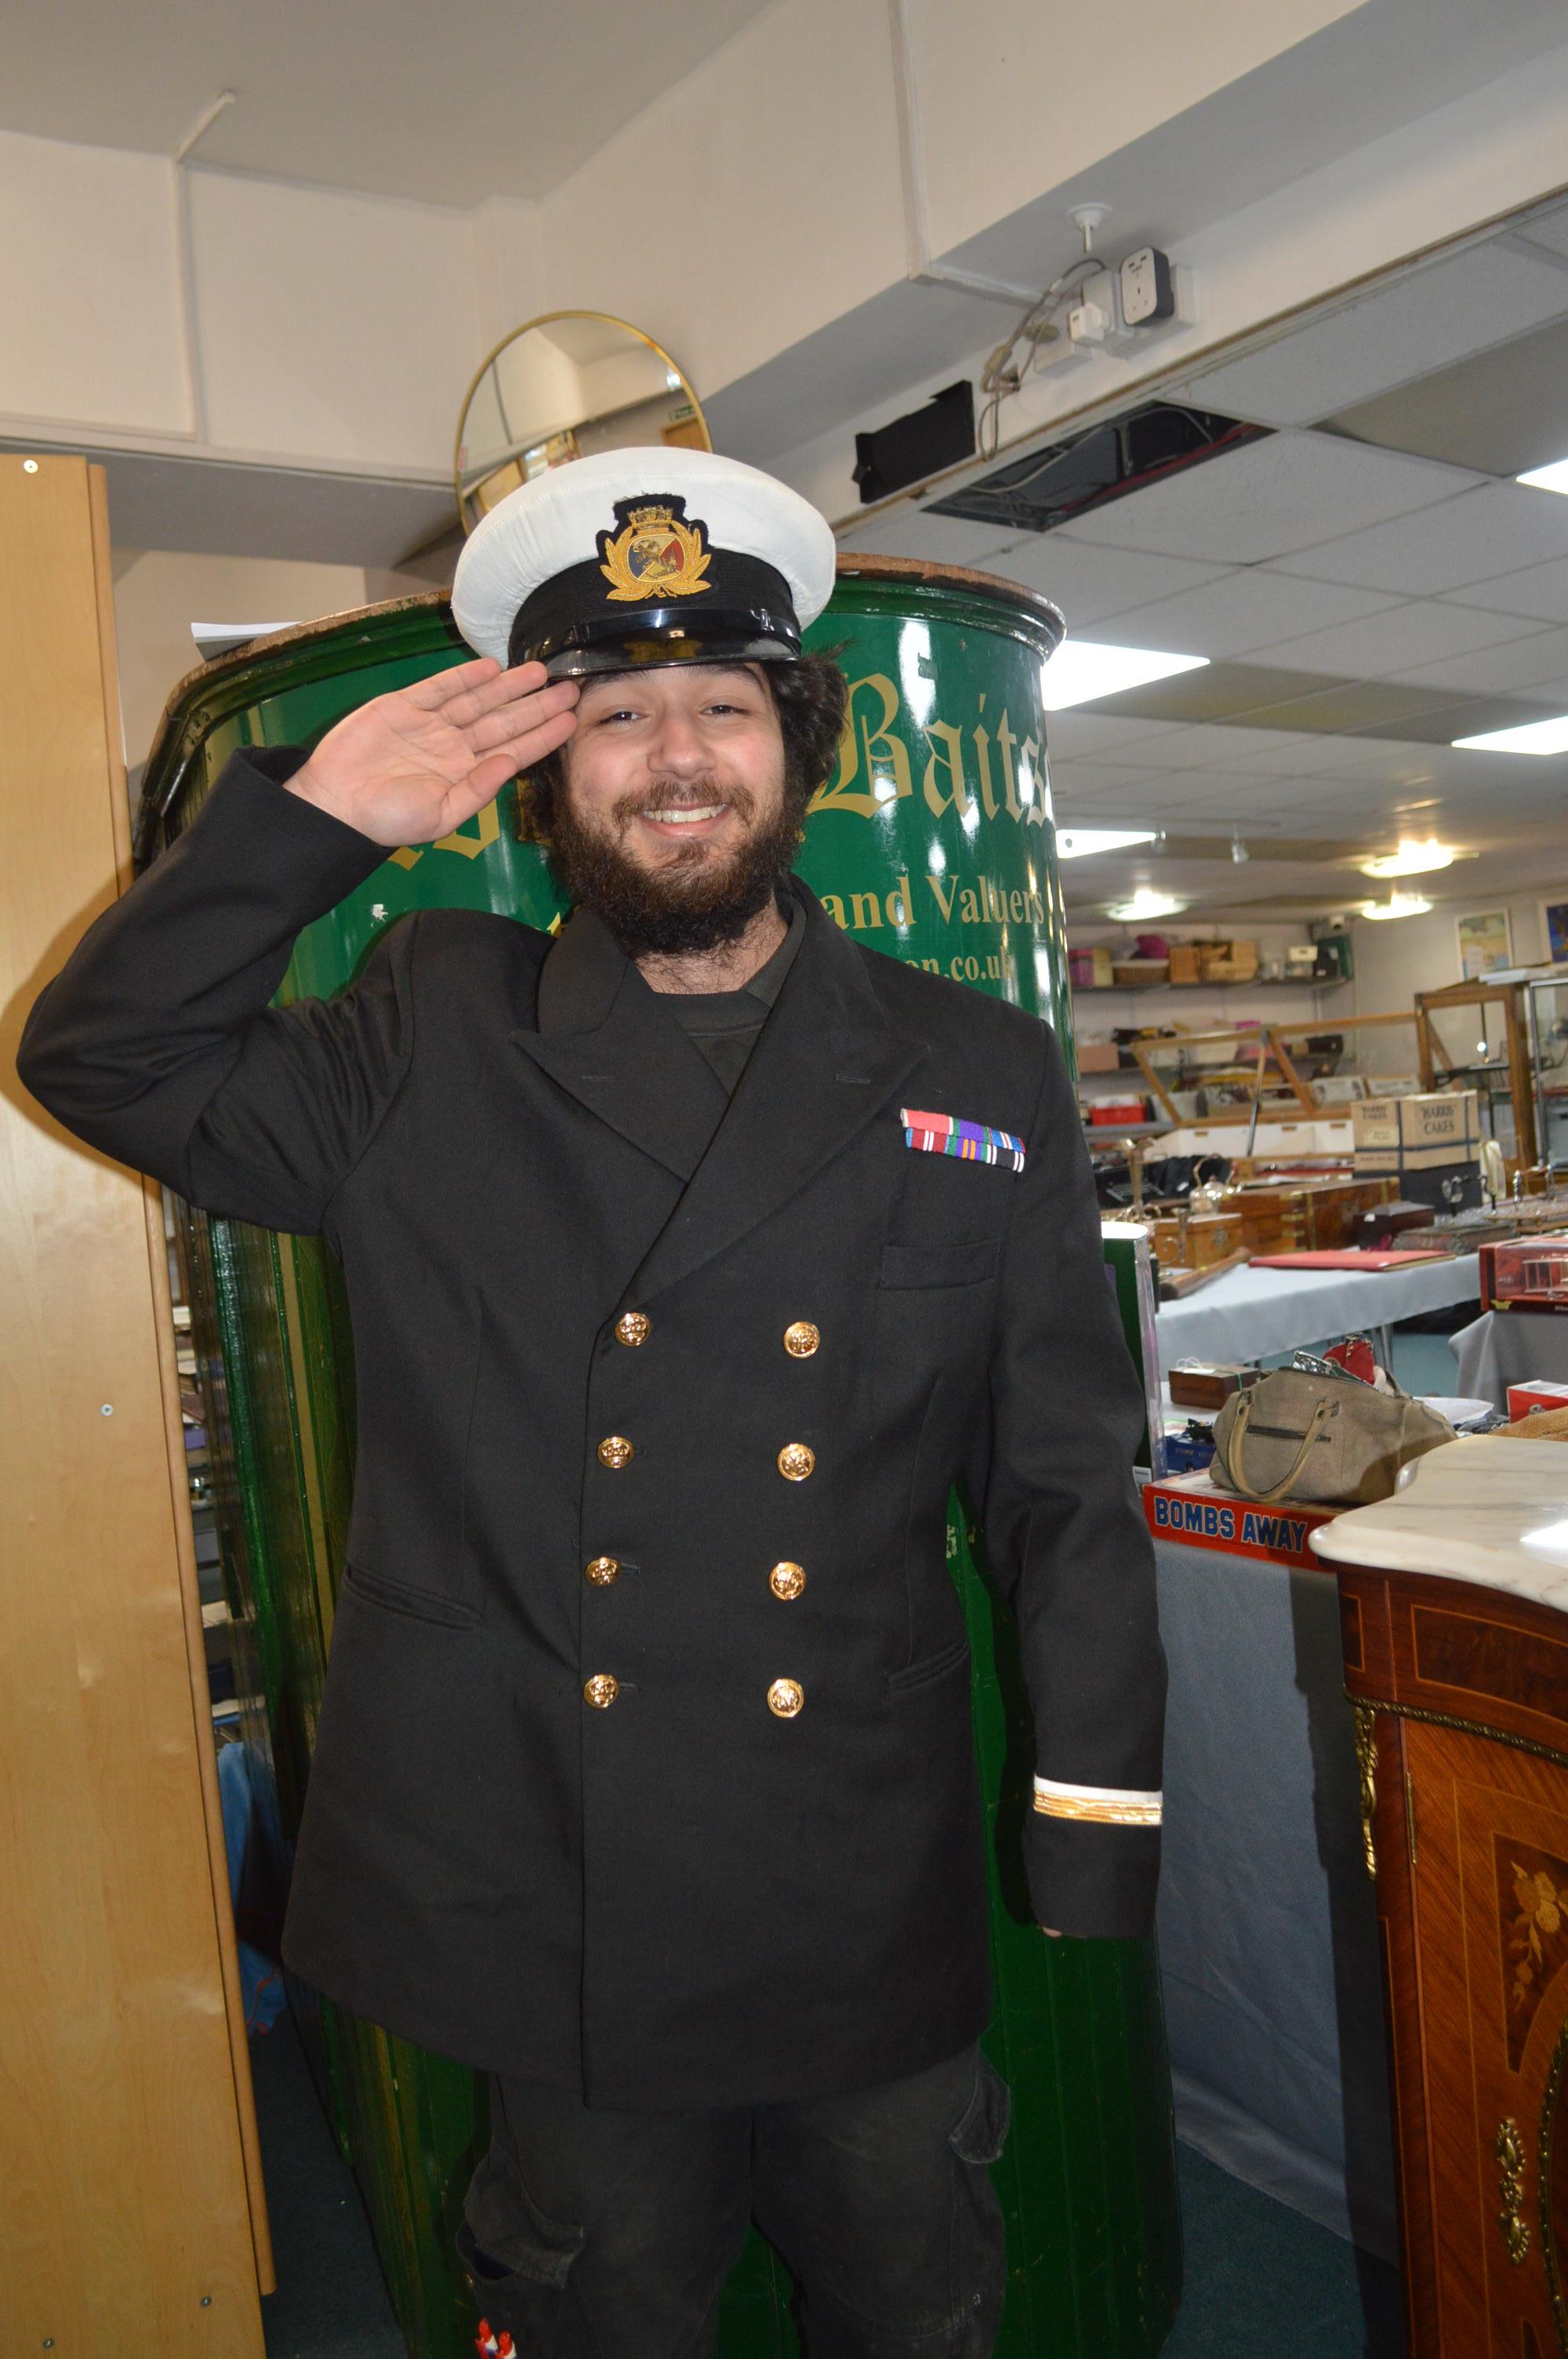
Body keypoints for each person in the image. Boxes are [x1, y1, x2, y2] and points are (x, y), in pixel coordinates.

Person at [16, 446, 1165, 2359]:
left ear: (798, 752)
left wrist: (1093, 1816)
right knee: (602, 2305)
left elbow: (1064, 1478)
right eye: (616, 717)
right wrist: (309, 823)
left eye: (724, 704)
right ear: (549, 791)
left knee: (917, 2296)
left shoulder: (972, 1065)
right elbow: (101, 1054)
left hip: (852, 1864)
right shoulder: (424, 1020)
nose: (677, 754)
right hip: (555, 1872)